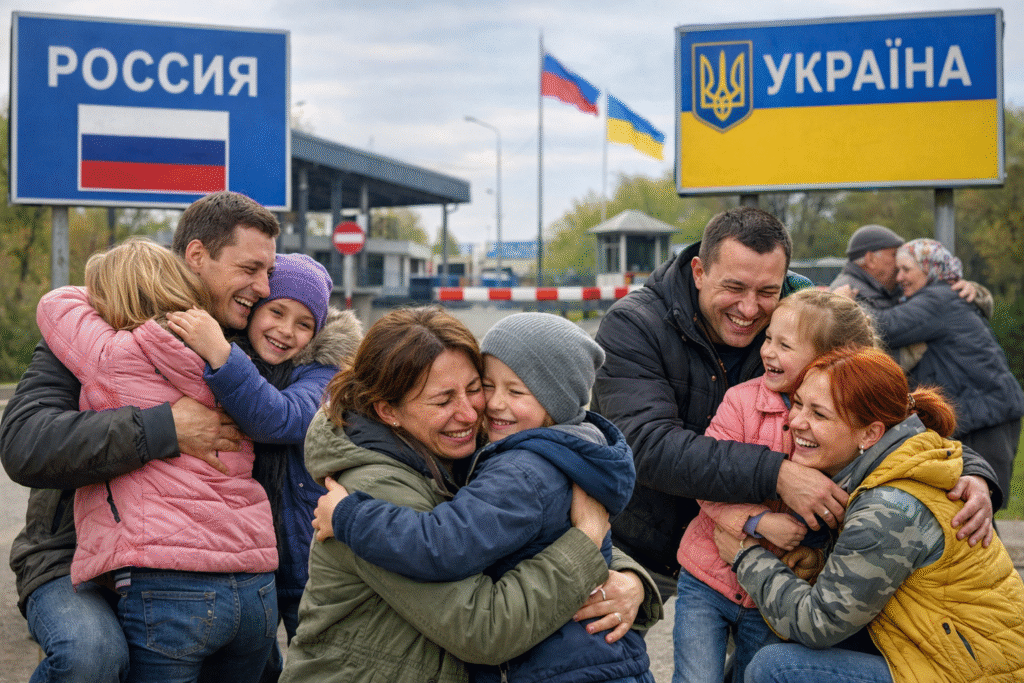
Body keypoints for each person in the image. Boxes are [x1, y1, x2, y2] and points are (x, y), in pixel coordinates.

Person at [591, 207, 999, 598]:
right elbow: (644, 444)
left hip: (768, 550)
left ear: (784, 282)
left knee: (762, 669)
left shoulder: (803, 317)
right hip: (648, 547)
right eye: (733, 288)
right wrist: (778, 475)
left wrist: (973, 471)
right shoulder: (634, 325)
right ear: (699, 272)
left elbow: (885, 408)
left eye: (767, 292)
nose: (750, 310)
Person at [280, 307, 662, 683]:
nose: (470, 412)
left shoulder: (478, 447)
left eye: (474, 388)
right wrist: (587, 543)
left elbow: (536, 525)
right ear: (388, 411)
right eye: (443, 400)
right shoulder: (374, 486)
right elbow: (484, 629)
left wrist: (630, 581)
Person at [3, 190, 278, 683]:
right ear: (197, 256)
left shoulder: (246, 347)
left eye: (269, 273)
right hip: (69, 553)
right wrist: (163, 427)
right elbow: (26, 443)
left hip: (208, 562)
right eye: (249, 269)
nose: (263, 287)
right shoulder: (96, 327)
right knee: (93, 657)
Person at [715, 346, 1024, 683]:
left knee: (774, 668)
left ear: (870, 434)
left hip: (966, 674)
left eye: (819, 414)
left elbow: (818, 624)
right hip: (942, 654)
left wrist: (746, 558)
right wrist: (823, 565)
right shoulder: (904, 461)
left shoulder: (890, 505)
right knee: (758, 648)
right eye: (799, 404)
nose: (797, 422)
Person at [166, 252, 363, 679]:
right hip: (243, 563)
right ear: (253, 309)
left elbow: (280, 417)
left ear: (318, 333)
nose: (285, 331)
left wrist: (220, 352)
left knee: (321, 669)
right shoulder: (230, 360)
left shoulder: (325, 374)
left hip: (306, 567)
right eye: (276, 311)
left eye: (304, 323)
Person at [674, 289, 879, 683]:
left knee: (754, 675)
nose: (767, 352)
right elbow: (706, 483)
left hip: (774, 592)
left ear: (827, 359)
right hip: (708, 576)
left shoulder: (848, 421)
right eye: (768, 338)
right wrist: (757, 523)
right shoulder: (740, 402)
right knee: (696, 676)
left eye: (784, 345)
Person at [863, 238, 1024, 508]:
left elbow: (886, 325)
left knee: (974, 504)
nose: (899, 277)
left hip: (987, 418)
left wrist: (841, 301)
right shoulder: (943, 295)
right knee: (969, 506)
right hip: (987, 413)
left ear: (930, 268)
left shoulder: (937, 300)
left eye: (906, 269)